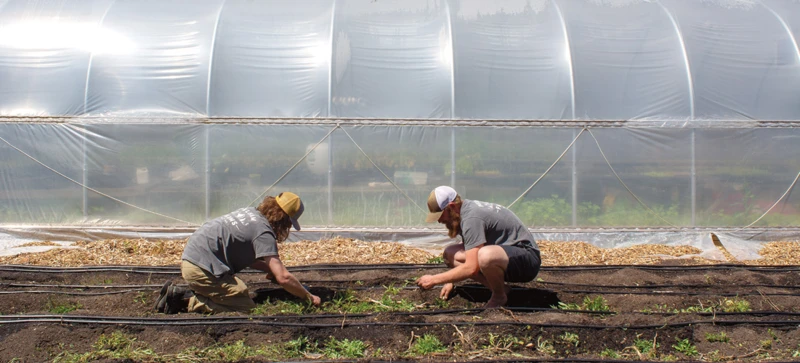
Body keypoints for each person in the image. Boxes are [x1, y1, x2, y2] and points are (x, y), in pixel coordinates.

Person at [155, 192, 321, 314]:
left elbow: (244, 255)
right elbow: (283, 277)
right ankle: (183, 302)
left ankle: (188, 292)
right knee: (243, 304)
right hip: (201, 267)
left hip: (194, 256)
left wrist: (269, 269)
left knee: (235, 292)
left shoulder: (250, 213)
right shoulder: (263, 233)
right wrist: (309, 297)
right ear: (284, 220)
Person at [416, 186, 541, 308]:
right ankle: (501, 289)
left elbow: (471, 268)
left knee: (485, 256)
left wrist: (434, 279)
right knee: (451, 253)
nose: (439, 221)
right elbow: (470, 250)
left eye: (440, 215)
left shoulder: (471, 218)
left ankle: (499, 296)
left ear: (452, 207)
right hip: (507, 256)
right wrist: (450, 281)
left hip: (527, 260)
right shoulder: (463, 211)